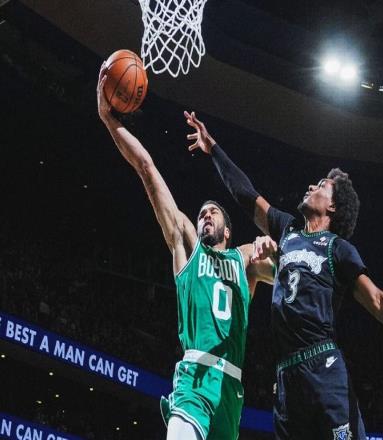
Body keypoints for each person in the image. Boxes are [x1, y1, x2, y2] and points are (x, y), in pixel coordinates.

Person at [184, 111, 383, 440]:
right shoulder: (287, 229)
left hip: (323, 366)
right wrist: (213, 149)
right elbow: (246, 195)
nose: (311, 186)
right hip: (286, 377)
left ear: (333, 208)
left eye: (321, 186)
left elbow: (378, 300)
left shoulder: (338, 249)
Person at [97, 66, 275, 440]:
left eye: (213, 212)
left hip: (231, 391)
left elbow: (291, 279)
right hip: (193, 379)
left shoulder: (244, 260)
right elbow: (147, 169)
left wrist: (272, 249)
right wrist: (110, 121)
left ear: (229, 230)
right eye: (201, 214)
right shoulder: (188, 249)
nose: (205, 215)